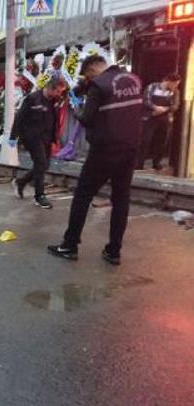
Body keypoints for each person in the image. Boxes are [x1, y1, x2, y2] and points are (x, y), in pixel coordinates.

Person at [48, 55, 144, 266]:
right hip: (130, 149)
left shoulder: (99, 85)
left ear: (92, 69)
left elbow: (85, 118)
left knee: (82, 195)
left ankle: (69, 245)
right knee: (121, 198)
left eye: (87, 75)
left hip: (104, 150)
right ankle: (114, 251)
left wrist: (77, 106)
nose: (88, 79)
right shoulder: (135, 80)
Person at [10, 75, 67, 209]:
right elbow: (19, 117)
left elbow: (53, 121)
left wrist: (55, 138)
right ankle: (39, 196)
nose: (59, 94)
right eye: (58, 91)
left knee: (44, 165)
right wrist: (13, 137)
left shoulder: (54, 102)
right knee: (40, 163)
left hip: (46, 138)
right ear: (50, 88)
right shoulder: (32, 98)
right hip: (31, 137)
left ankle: (21, 182)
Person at [137, 74, 181, 170]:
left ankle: (156, 163)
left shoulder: (175, 92)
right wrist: (155, 108)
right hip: (151, 116)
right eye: (175, 84)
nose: (175, 86)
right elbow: (145, 99)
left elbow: (176, 105)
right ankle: (139, 163)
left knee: (162, 141)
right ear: (169, 81)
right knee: (145, 139)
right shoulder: (152, 87)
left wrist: (164, 109)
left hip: (165, 118)